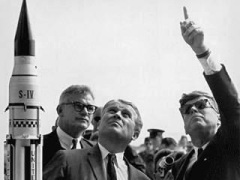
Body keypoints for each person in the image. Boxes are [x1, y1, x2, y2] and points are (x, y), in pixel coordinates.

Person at [172, 7, 240, 180]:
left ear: (219, 117)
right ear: (184, 126)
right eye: (187, 110)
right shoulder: (178, 166)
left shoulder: (232, 143)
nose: (193, 110)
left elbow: (231, 106)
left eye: (202, 105)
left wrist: (202, 51)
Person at [43, 99, 150, 180]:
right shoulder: (67, 160)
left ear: (135, 135)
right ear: (99, 125)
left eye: (126, 115)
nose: (117, 115)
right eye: (112, 111)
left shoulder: (141, 178)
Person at [43, 85, 97, 167]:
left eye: (90, 108)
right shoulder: (38, 147)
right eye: (78, 106)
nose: (85, 112)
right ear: (60, 110)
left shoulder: (95, 151)